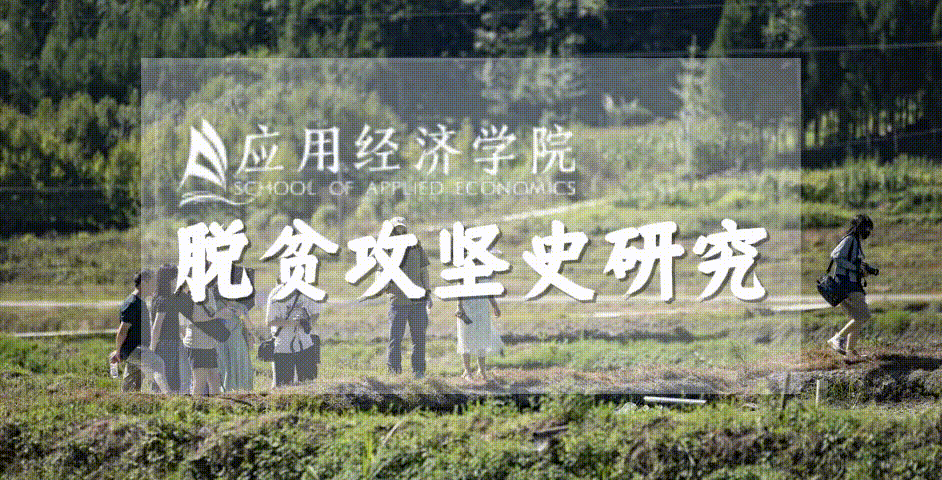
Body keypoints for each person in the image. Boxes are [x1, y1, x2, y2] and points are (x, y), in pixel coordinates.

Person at [385, 217, 432, 379]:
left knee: (419, 338)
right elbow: (381, 274)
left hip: (418, 301)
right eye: (397, 229)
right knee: (395, 338)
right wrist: (387, 287)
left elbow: (424, 270)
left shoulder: (416, 245)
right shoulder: (386, 248)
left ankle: (418, 371)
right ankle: (394, 372)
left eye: (402, 229)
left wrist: (428, 293)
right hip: (398, 301)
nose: (400, 232)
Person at [827, 214, 879, 360]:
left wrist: (863, 270)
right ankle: (837, 339)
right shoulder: (850, 240)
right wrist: (855, 268)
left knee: (858, 318)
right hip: (846, 284)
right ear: (860, 227)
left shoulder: (855, 242)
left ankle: (850, 353)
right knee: (864, 316)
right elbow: (836, 256)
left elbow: (852, 263)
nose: (868, 232)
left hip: (852, 284)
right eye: (867, 229)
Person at [109, 270, 170, 394]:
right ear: (143, 283)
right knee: (158, 363)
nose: (155, 287)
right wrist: (118, 352)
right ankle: (169, 396)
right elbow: (122, 331)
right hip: (134, 350)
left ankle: (125, 400)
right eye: (153, 283)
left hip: (137, 349)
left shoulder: (140, 302)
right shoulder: (132, 303)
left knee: (131, 386)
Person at [266, 284, 322, 388]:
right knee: (283, 387)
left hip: (306, 344)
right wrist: (293, 323)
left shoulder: (308, 290)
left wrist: (308, 323)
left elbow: (316, 313)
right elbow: (270, 321)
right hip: (283, 347)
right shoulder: (276, 293)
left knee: (308, 385)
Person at [150, 264, 192, 393]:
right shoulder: (164, 300)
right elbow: (157, 327)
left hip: (170, 343)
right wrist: (152, 349)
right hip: (167, 344)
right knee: (167, 379)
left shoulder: (158, 298)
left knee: (168, 378)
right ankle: (169, 400)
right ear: (170, 280)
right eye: (176, 278)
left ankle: (168, 400)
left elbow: (174, 323)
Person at [214, 275, 255, 392]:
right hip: (221, 343)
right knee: (225, 371)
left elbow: (250, 327)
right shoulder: (217, 304)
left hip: (238, 343)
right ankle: (226, 394)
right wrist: (219, 314)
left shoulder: (241, 307)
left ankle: (243, 393)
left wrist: (241, 315)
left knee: (242, 370)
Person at [456, 293, 504, 382]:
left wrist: (495, 306)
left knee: (482, 337)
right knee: (466, 338)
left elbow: (488, 289)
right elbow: (460, 289)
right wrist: (459, 306)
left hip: (482, 308)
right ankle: (467, 371)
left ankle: (482, 370)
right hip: (467, 308)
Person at [183, 285, 221, 395]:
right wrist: (218, 315)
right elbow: (196, 317)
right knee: (199, 384)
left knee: (215, 383)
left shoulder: (209, 292)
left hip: (210, 345)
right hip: (197, 345)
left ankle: (215, 405)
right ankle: (194, 405)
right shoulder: (194, 292)